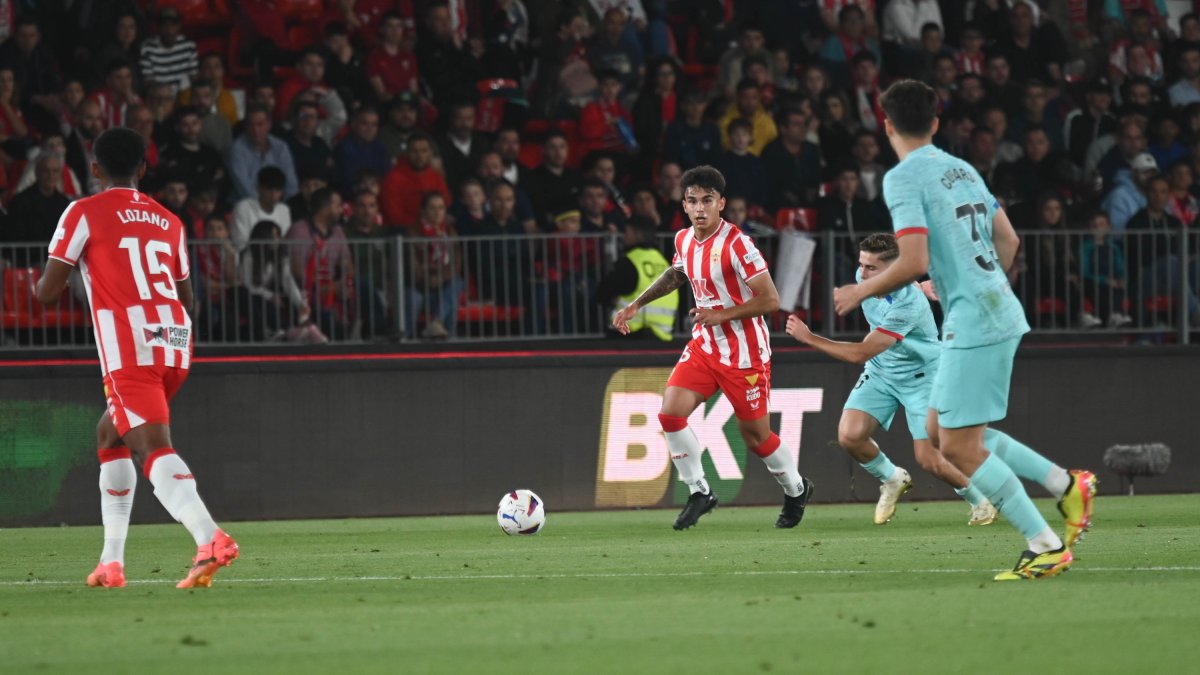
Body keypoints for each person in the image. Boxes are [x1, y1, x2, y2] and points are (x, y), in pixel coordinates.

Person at [832, 80, 1097, 581]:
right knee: (938, 434)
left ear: (886, 125)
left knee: (954, 447)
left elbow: (911, 260)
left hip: (975, 318)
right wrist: (973, 285)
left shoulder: (903, 178)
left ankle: (1044, 542)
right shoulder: (964, 169)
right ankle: (1066, 486)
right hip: (994, 308)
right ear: (935, 123)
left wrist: (860, 292)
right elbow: (1009, 240)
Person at [33, 127, 238, 589]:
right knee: (110, 435)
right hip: (176, 342)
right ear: (143, 169)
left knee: (151, 445)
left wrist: (35, 284)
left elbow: (47, 292)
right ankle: (111, 562)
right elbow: (188, 296)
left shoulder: (83, 211)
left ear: (95, 168)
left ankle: (211, 537)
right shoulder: (170, 220)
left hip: (131, 345)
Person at [612, 165, 813, 531]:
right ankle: (700, 491)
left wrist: (724, 314)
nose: (700, 208)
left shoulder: (738, 244)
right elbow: (677, 274)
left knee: (756, 436)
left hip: (746, 354)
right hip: (706, 346)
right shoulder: (684, 240)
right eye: (692, 201)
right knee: (670, 414)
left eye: (707, 200)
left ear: (721, 203)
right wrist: (635, 305)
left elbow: (771, 299)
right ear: (684, 205)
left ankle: (796, 489)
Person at [787, 233, 997, 526]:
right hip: (882, 371)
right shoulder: (871, 279)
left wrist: (809, 338)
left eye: (871, 268)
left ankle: (980, 501)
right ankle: (892, 478)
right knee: (850, 436)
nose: (862, 273)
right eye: (861, 265)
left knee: (929, 459)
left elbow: (861, 352)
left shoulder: (908, 306)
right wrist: (920, 285)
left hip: (922, 378)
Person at [597, 217, 677, 340]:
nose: (623, 236)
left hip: (632, 335)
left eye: (626, 232)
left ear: (638, 235)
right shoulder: (664, 262)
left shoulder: (630, 261)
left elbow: (602, 293)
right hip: (663, 336)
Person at [137, 7, 198, 94]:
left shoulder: (189, 46)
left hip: (184, 96)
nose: (169, 29)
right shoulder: (148, 49)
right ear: (158, 27)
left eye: (173, 25)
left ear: (179, 26)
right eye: (165, 25)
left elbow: (194, 77)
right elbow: (148, 83)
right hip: (160, 96)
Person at [232, 166, 292, 252]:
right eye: (269, 189)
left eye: (277, 190)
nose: (273, 194)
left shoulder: (284, 210)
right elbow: (240, 243)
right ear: (258, 188)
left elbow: (285, 242)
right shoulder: (243, 207)